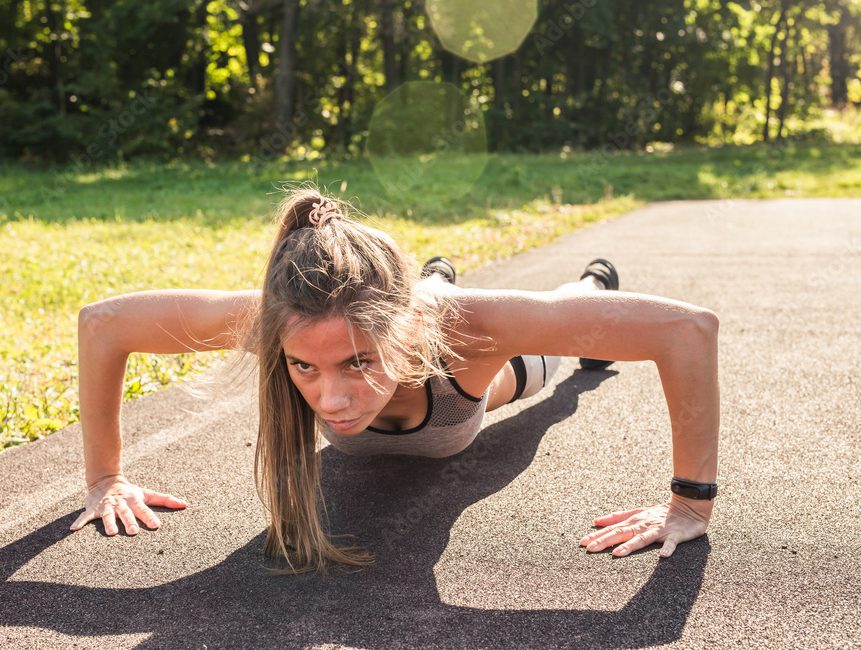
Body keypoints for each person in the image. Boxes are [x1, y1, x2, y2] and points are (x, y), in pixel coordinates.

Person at [70, 187, 719, 574]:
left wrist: (690, 504)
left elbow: (688, 330)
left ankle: (584, 281)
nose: (331, 400)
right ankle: (432, 275)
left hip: (486, 379)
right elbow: (102, 325)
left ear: (406, 332)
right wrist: (105, 478)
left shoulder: (471, 329)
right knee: (425, 301)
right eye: (305, 366)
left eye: (358, 362)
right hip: (410, 313)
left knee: (551, 374)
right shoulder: (272, 317)